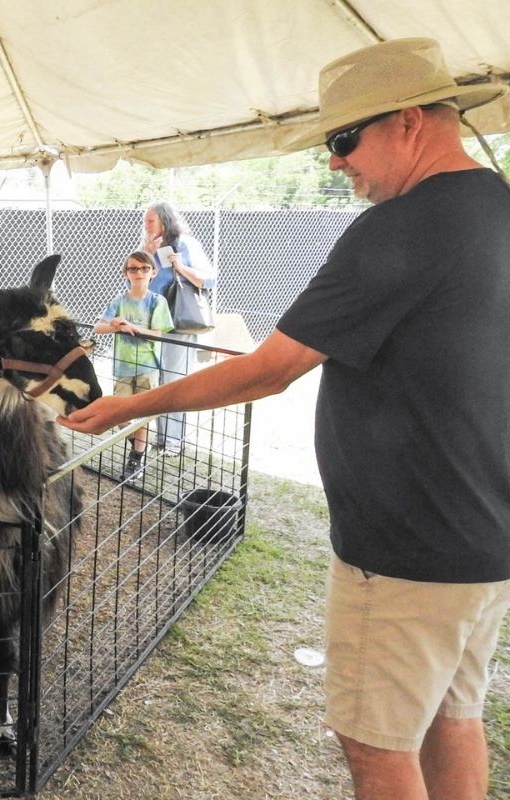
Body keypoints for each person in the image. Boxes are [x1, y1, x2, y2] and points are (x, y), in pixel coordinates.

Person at [60, 38, 510, 800]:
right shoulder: (497, 206)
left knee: (375, 746)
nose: (336, 162)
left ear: (408, 121)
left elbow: (273, 368)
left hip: (406, 547)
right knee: (452, 718)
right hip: (483, 537)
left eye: (344, 140)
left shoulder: (399, 229)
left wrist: (129, 407)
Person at [141, 200, 216, 457]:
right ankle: (162, 438)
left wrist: (179, 266)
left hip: (178, 323)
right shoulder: (151, 246)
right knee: (159, 381)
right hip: (154, 322)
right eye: (146, 221)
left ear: (165, 220)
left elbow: (209, 279)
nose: (146, 226)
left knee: (175, 380)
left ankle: (174, 441)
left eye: (151, 221)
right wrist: (147, 255)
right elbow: (136, 279)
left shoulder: (185, 243)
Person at [92, 250, 174, 476]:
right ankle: (136, 444)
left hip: (148, 367)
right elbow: (98, 327)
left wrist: (133, 327)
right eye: (133, 268)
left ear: (153, 272)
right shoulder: (118, 302)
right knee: (121, 416)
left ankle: (136, 459)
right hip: (123, 367)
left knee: (143, 414)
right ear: (125, 273)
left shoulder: (157, 302)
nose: (139, 272)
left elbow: (157, 333)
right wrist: (116, 326)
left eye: (144, 268)